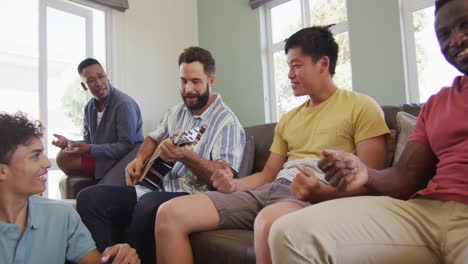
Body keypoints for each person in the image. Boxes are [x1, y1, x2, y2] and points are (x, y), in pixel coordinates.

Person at [155, 26, 390, 264]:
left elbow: (371, 182)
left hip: (312, 193)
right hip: (270, 190)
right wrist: (233, 184)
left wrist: (319, 192)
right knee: (169, 214)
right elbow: (267, 174)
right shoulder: (288, 119)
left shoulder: (361, 106)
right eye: (289, 66)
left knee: (268, 223)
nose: (289, 74)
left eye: (296, 65)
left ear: (323, 64)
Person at [268, 0, 468, 263]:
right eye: (444, 34)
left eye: (465, 26)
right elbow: (405, 177)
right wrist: (365, 173)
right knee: (288, 232)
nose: (456, 40)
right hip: (424, 212)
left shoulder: (358, 106)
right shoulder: (436, 104)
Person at [76, 47, 245, 264]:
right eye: (183, 81)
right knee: (89, 198)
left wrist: (184, 156)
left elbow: (223, 179)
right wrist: (139, 159)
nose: (188, 89)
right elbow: (152, 138)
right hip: (155, 187)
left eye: (195, 81)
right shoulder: (176, 112)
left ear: (211, 80)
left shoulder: (227, 123)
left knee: (149, 204)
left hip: (194, 196)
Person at [0, 112, 140, 264]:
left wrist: (118, 258)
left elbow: (97, 261)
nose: (47, 163)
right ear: (2, 171)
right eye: (35, 156)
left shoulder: (62, 216)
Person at [52, 58, 144, 179]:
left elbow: (126, 146)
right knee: (63, 155)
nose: (99, 83)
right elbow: (89, 141)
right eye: (91, 80)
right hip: (101, 156)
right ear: (84, 86)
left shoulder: (123, 104)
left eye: (101, 76)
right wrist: (70, 143)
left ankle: (99, 181)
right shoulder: (89, 107)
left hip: (121, 161)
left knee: (63, 158)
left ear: (107, 77)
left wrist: (90, 148)